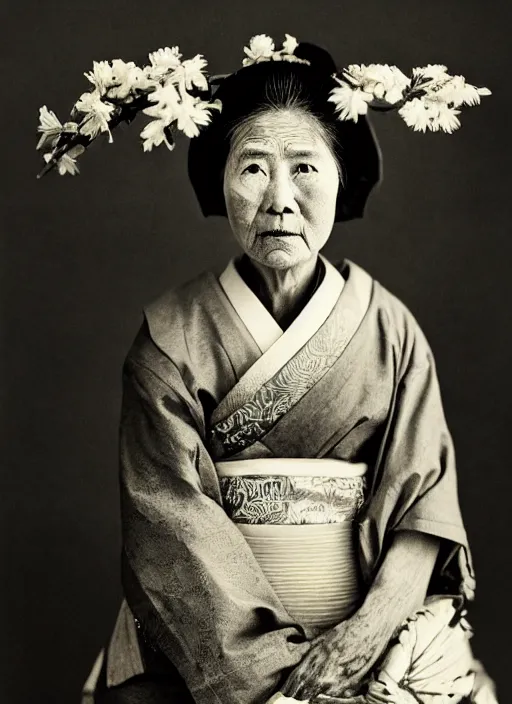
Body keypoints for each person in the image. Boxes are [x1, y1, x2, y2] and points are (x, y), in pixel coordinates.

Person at [64, 38, 497, 704]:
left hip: (365, 639)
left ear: (341, 178)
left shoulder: (390, 329)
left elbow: (423, 508)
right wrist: (274, 683)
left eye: (304, 166)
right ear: (221, 183)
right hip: (204, 656)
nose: (280, 199)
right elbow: (170, 528)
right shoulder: (170, 340)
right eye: (254, 169)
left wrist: (363, 640)